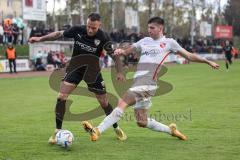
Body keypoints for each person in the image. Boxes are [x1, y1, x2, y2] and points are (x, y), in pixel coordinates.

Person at [82, 16, 219, 141]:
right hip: (140, 83)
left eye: (152, 28)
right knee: (142, 121)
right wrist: (122, 51)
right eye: (148, 28)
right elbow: (132, 48)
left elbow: (189, 56)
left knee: (121, 103)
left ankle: (97, 130)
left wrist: (208, 61)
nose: (149, 30)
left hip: (147, 84)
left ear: (161, 28)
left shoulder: (169, 43)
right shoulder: (145, 41)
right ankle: (171, 130)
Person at [28, 13, 127, 143]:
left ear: (99, 26)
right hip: (75, 69)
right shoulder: (77, 30)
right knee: (61, 97)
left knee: (103, 102)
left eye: (94, 28)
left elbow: (114, 55)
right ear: (86, 23)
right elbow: (58, 34)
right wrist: (40, 39)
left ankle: (116, 127)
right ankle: (57, 132)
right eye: (89, 26)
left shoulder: (103, 37)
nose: (90, 30)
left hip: (92, 71)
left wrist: (119, 72)